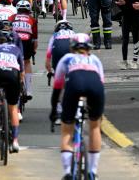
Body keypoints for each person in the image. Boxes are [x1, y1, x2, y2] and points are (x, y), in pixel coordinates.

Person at [50, 33, 104, 180]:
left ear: (72, 48)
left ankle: (67, 172)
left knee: (67, 129)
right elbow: (101, 85)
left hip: (73, 86)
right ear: (89, 48)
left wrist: (54, 111)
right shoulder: (95, 60)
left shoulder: (67, 59)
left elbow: (57, 88)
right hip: (95, 87)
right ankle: (92, 171)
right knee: (94, 127)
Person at [0, 29, 24, 152]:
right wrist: (20, 86)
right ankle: (16, 141)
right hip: (12, 75)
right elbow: (21, 72)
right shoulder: (16, 49)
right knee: (13, 109)